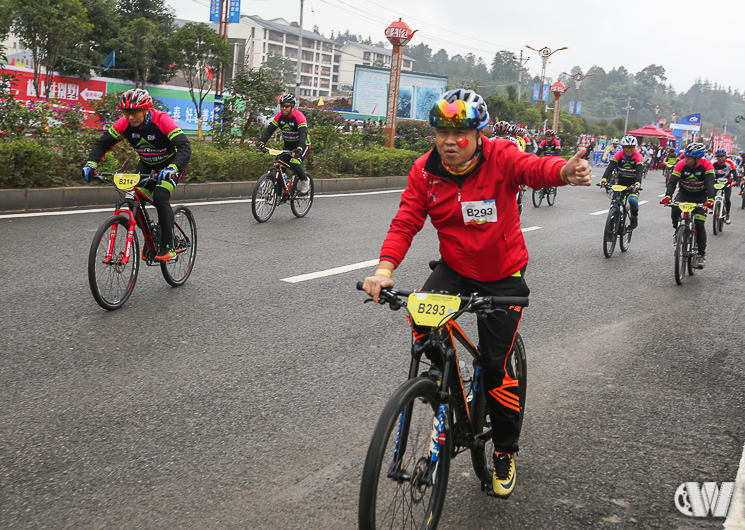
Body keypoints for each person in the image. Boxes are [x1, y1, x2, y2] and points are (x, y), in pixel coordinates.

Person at [360, 88, 592, 498]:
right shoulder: (424, 171)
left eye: (461, 132)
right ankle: (443, 384)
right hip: (455, 269)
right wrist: (384, 269)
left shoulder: (501, 156)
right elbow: (406, 221)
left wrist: (563, 172)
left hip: (502, 276)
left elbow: (535, 168)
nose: (451, 140)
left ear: (478, 134)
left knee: (497, 369)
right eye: (443, 131)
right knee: (419, 316)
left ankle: (504, 451)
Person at [82, 88, 192, 262]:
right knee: (132, 200)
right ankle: (152, 236)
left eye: (134, 112)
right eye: (126, 112)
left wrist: (173, 168)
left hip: (169, 167)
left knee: (161, 196)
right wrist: (91, 164)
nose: (130, 116)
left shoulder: (162, 120)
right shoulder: (124, 124)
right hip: (146, 166)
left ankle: (168, 246)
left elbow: (185, 147)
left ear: (146, 110)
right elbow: (102, 143)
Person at [660, 142, 715, 268]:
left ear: (697, 159)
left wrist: (710, 199)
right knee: (674, 209)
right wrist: (668, 196)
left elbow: (711, 184)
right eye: (685, 156)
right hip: (684, 194)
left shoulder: (707, 165)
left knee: (700, 224)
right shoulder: (680, 164)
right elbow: (672, 182)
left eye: (689, 158)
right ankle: (677, 230)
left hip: (701, 197)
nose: (686, 160)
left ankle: (701, 255)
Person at [256, 93, 311, 194]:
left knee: (294, 162)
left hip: (303, 145)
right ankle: (279, 195)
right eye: (282, 106)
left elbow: (303, 135)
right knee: (280, 167)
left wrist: (299, 148)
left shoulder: (299, 117)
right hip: (288, 146)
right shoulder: (279, 117)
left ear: (292, 107)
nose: (284, 108)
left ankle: (304, 180)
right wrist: (262, 142)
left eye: (287, 106)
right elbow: (269, 130)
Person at [600, 135, 644, 229]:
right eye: (626, 147)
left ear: (634, 147)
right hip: (621, 183)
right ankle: (611, 229)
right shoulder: (619, 155)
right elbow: (610, 168)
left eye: (631, 147)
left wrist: (637, 183)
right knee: (615, 204)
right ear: (623, 147)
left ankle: (634, 218)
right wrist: (604, 179)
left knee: (632, 200)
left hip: (633, 184)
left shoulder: (638, 156)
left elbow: (639, 172)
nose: (629, 150)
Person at [712, 148, 739, 224]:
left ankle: (727, 214)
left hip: (727, 182)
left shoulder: (730, 163)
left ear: (725, 157)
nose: (720, 158)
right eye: (718, 156)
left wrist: (736, 181)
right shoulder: (713, 163)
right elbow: (709, 173)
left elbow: (734, 172)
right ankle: (713, 208)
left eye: (722, 156)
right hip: (717, 181)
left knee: (727, 198)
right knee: (712, 194)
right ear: (716, 157)